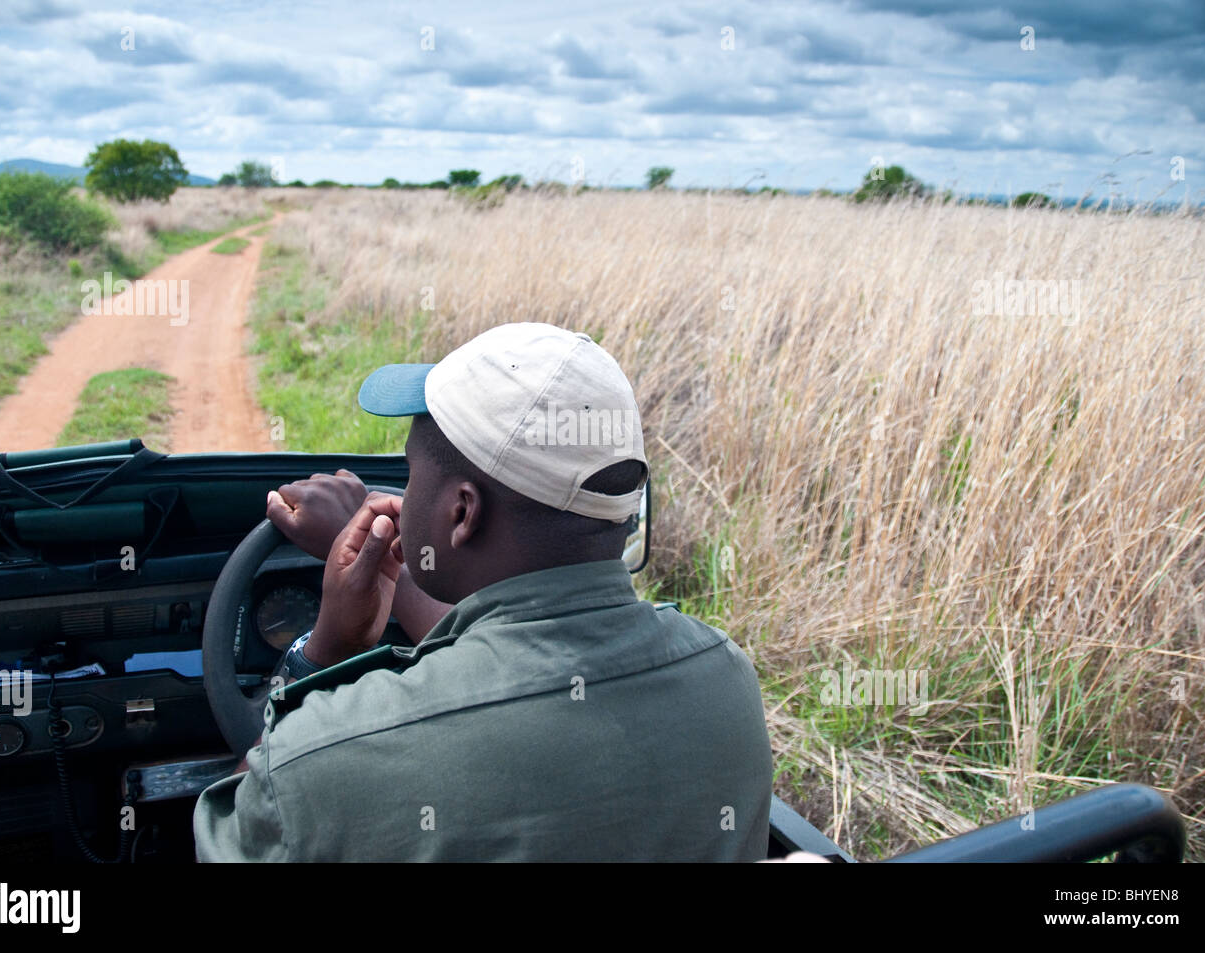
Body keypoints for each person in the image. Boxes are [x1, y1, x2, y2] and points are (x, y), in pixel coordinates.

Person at [193, 322, 774, 861]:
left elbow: (253, 816)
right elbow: (518, 654)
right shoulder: (727, 680)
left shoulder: (318, 766)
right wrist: (394, 586)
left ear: (462, 511)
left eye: (412, 473)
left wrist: (327, 649)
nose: (403, 490)